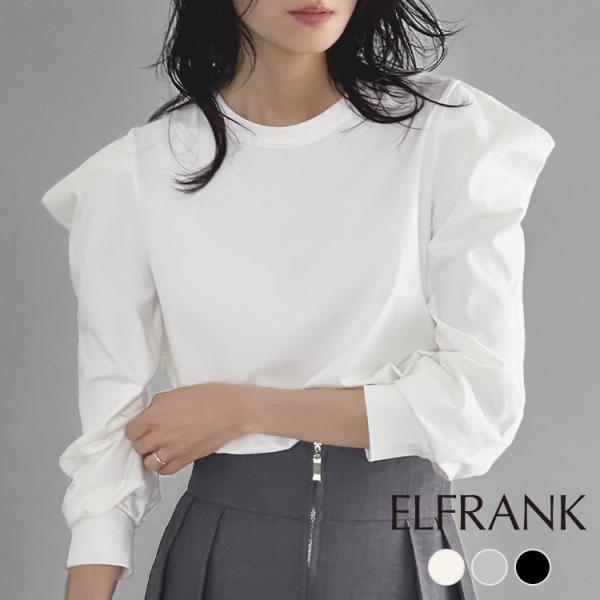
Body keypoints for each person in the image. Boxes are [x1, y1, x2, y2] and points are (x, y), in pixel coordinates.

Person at [41, 1, 556, 599]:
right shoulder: (136, 175)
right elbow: (108, 451)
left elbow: (480, 406)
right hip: (221, 559)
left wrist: (247, 410)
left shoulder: (451, 136)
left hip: (397, 553)